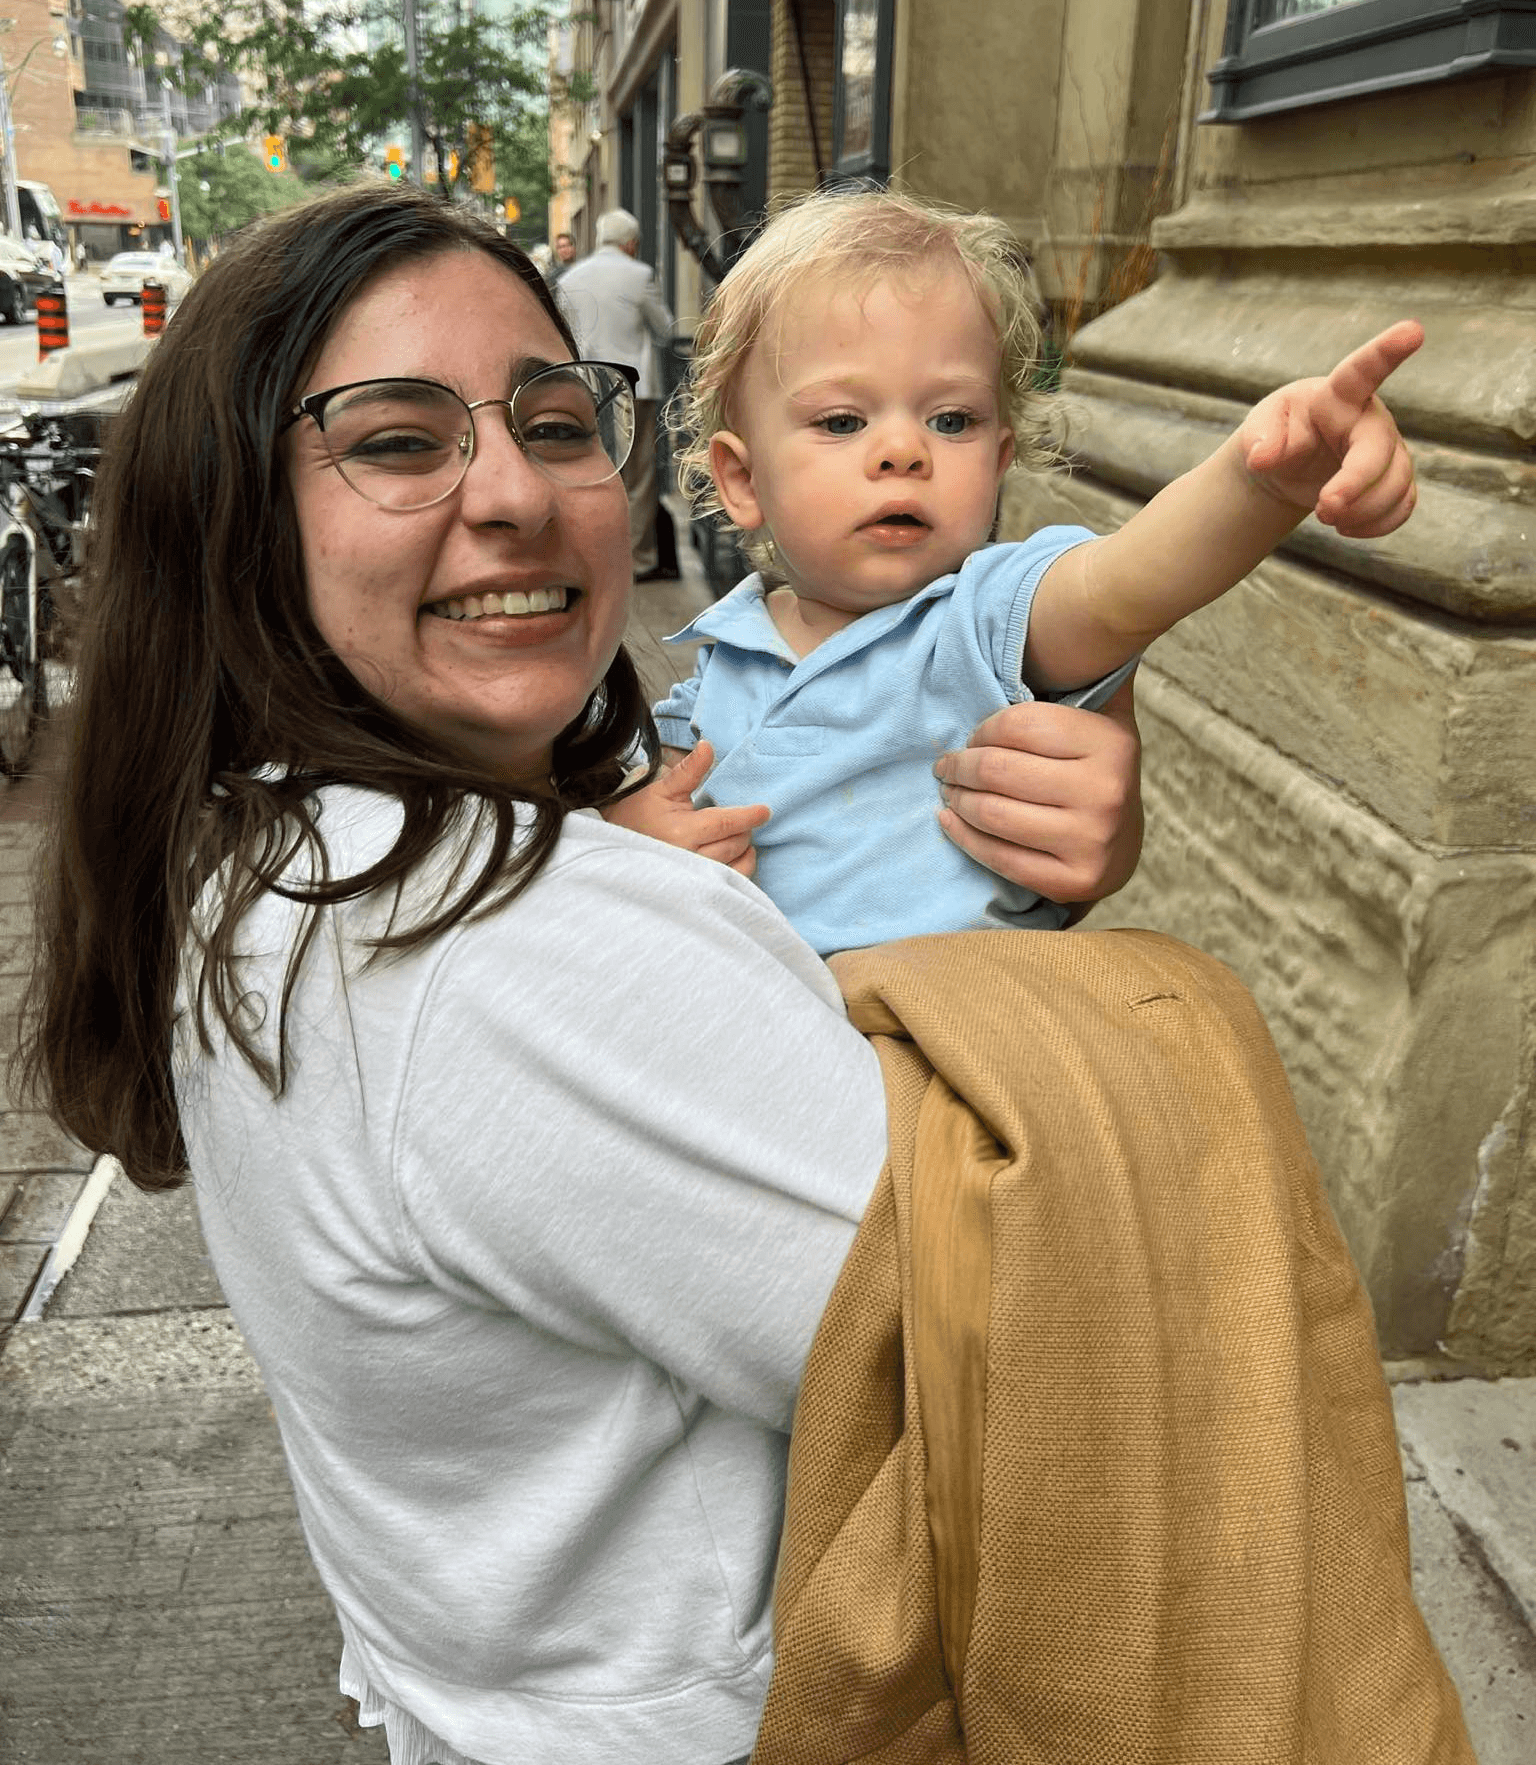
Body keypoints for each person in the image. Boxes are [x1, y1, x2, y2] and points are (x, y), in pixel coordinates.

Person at [22, 181, 1146, 1765]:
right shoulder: (500, 953)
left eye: (555, 423)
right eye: (400, 441)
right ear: (234, 516)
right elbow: (1046, 1360)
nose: (517, 496)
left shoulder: (256, 843)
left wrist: (979, 827)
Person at [604, 188, 1419, 957]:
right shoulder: (723, 655)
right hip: (775, 1031)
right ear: (744, 481)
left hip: (956, 1028)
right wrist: (647, 839)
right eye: (843, 420)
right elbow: (651, 816)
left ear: (997, 465)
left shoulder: (982, 617)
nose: (903, 450)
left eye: (950, 419)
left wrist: (1263, 480)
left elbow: (1127, 581)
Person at [556, 207, 679, 580]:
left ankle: (593, 557)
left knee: (595, 470)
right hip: (636, 389)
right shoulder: (639, 275)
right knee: (639, 476)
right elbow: (667, 329)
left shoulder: (570, 278)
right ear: (631, 243)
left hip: (589, 388)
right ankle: (637, 561)